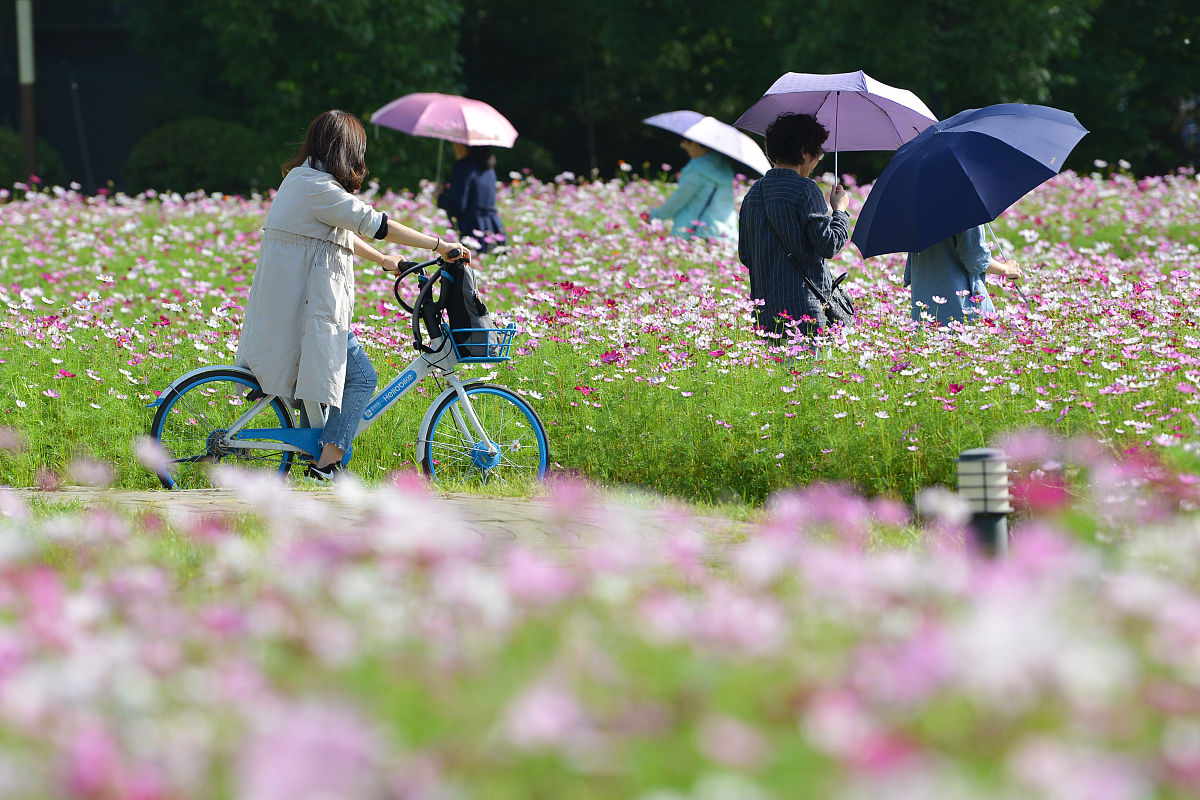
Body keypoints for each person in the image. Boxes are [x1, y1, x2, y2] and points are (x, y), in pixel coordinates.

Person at [236, 109, 469, 480]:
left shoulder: (300, 180)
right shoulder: (318, 188)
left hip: (295, 307)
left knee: (326, 384)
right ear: (345, 151)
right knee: (361, 377)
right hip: (308, 311)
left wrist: (384, 260)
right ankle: (327, 466)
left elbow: (338, 230)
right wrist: (440, 245)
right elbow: (376, 224)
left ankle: (320, 458)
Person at [738, 113, 849, 339]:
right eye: (818, 153)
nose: (818, 160)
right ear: (805, 152)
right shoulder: (806, 189)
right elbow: (828, 245)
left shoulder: (753, 193)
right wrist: (840, 211)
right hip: (804, 312)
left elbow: (746, 255)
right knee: (808, 363)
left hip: (765, 314)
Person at [904, 226, 1022, 325]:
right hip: (959, 307)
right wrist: (1005, 269)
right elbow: (975, 259)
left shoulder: (916, 211)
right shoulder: (965, 208)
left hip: (924, 305)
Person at [646, 138, 737, 240]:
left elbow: (680, 198)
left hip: (695, 232)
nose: (685, 148)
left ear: (695, 143)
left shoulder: (696, 167)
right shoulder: (725, 168)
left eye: (684, 144)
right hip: (725, 233)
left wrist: (656, 216)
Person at [435, 143, 506, 253]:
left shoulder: (463, 167)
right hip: (493, 227)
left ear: (462, 145)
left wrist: (440, 197)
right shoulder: (488, 167)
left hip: (472, 228)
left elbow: (457, 206)